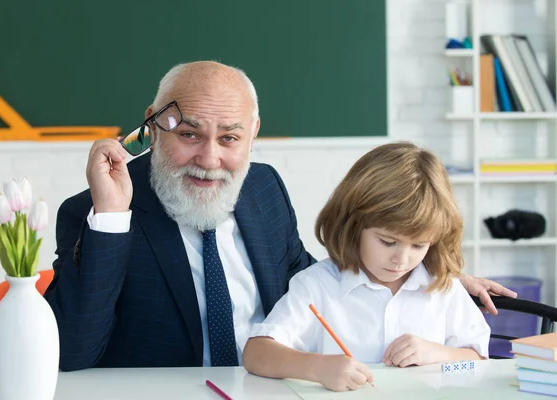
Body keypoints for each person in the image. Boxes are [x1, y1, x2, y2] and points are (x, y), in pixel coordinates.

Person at [44, 61, 514, 372]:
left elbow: (311, 279)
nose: (209, 159)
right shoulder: (98, 211)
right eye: (189, 134)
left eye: (229, 138)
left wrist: (425, 273)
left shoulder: (263, 186)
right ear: (153, 124)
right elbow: (71, 355)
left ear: (253, 134)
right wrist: (109, 215)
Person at [243, 142, 490, 392]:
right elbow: (256, 353)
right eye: (387, 241)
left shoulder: (443, 287)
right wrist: (318, 368)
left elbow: (479, 361)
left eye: (418, 245)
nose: (401, 260)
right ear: (353, 225)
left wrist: (440, 354)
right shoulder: (318, 285)